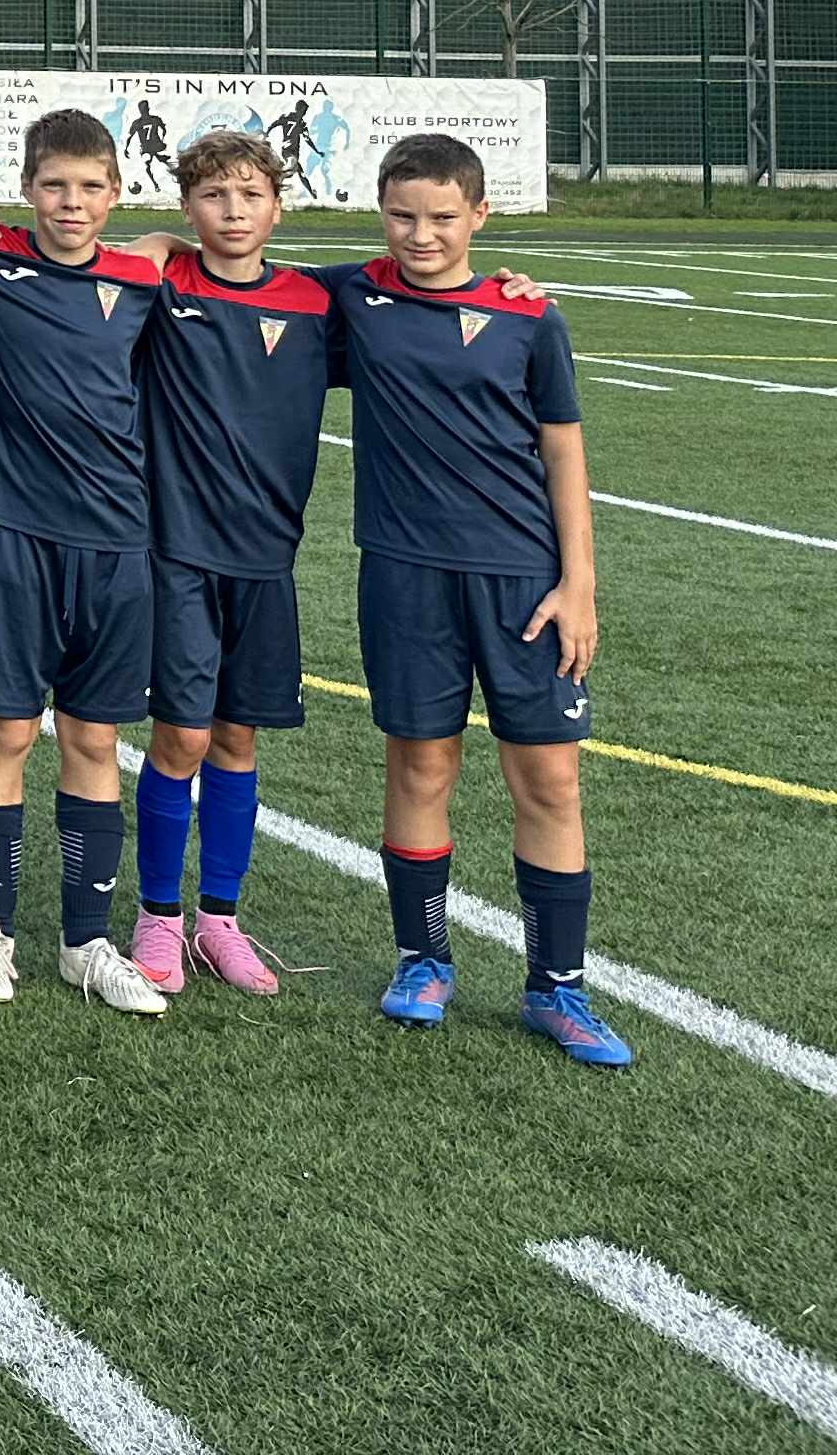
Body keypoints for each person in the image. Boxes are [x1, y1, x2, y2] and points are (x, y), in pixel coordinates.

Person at [346, 134, 624, 1066]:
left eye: (441, 217)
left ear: (479, 215)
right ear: (380, 214)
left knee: (550, 779)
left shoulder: (528, 315)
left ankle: (557, 987)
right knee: (420, 767)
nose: (420, 234)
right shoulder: (354, 298)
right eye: (401, 216)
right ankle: (423, 960)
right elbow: (234, 272)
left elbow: (563, 450)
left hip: (524, 583)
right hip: (405, 574)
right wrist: (154, 244)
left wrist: (578, 584)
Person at [0, 110, 171, 1014]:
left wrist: (167, 238)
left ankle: (84, 942)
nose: (72, 203)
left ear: (116, 192)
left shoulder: (141, 276)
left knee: (95, 739)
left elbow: (191, 252)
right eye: (55, 186)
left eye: (90, 188)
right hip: (13, 537)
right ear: (27, 187)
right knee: (5, 731)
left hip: (117, 541)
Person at [126, 129, 337, 999]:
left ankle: (219, 919)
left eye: (251, 195)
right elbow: (88, 264)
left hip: (268, 559)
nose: (234, 211)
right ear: (187, 208)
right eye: (214, 196)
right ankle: (157, 916)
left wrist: (512, 286)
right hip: (177, 552)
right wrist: (152, 245)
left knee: (238, 738)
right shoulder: (160, 284)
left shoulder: (321, 301)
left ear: (278, 207)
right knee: (181, 736)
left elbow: (418, 292)